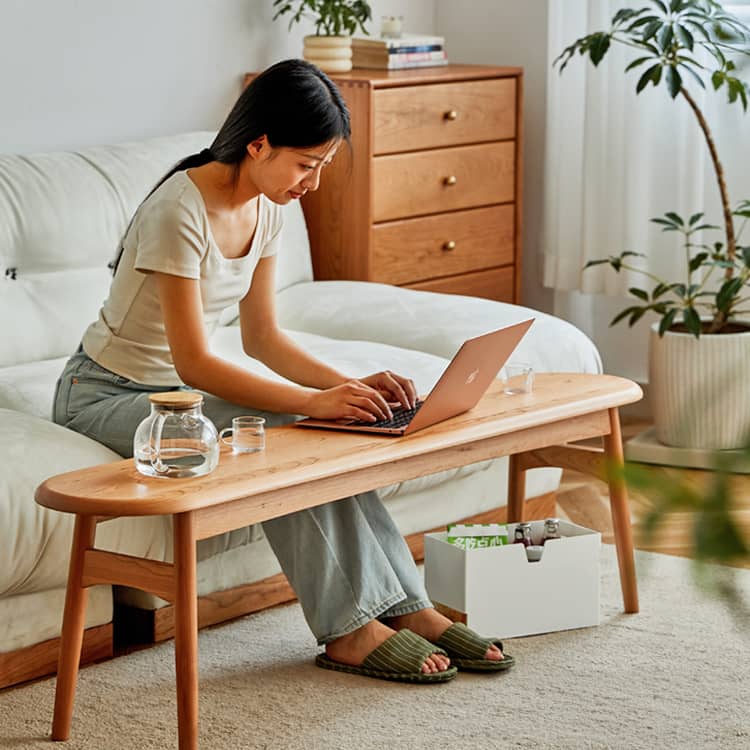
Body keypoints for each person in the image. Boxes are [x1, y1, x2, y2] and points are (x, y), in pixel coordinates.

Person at [52, 59, 513, 683]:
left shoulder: (267, 205)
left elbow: (263, 337)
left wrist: (343, 387)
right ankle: (349, 629)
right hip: (107, 394)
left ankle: (408, 607)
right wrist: (311, 401)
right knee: (276, 429)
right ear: (258, 144)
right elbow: (194, 362)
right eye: (306, 164)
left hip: (177, 395)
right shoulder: (178, 211)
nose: (312, 184)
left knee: (329, 424)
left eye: (321, 167)